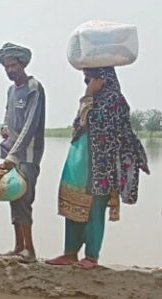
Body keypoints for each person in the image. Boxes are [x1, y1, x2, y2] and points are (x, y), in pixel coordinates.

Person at [46, 67, 149, 269]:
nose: (87, 83)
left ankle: (91, 257)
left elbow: (122, 132)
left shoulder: (115, 101)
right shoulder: (90, 100)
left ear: (103, 79)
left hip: (101, 167)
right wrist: (88, 98)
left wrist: (138, 156)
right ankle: (70, 253)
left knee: (95, 209)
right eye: (86, 80)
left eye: (90, 79)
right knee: (73, 206)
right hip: (79, 162)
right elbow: (78, 125)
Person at [0, 43, 46, 262]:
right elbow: (8, 115)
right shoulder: (11, 90)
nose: (10, 70)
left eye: (13, 65)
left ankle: (29, 250)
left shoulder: (34, 87)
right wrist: (5, 128)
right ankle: (18, 246)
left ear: (22, 64)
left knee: (24, 199)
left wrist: (13, 156)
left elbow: (30, 125)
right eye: (6, 66)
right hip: (10, 154)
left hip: (28, 155)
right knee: (12, 196)